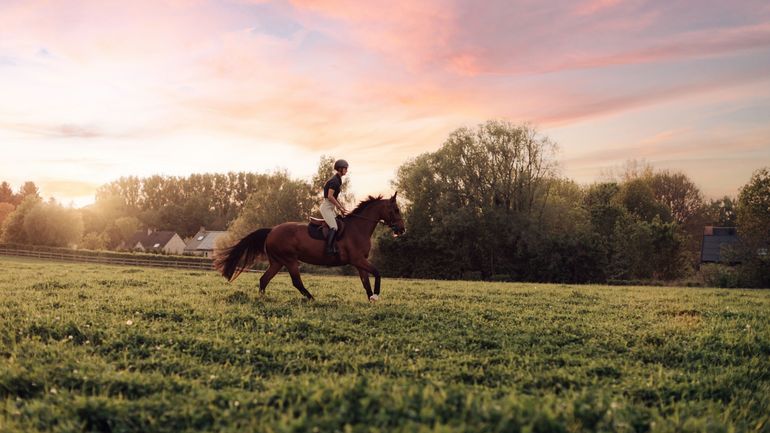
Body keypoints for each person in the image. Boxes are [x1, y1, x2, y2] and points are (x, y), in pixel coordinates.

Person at [320, 159, 348, 255]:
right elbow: (330, 196)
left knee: (339, 224)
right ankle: (328, 249)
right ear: (340, 169)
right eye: (345, 168)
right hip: (327, 208)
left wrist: (342, 208)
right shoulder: (335, 181)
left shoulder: (338, 180)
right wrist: (339, 208)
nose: (346, 170)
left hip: (331, 208)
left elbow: (334, 197)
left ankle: (335, 245)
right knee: (334, 227)